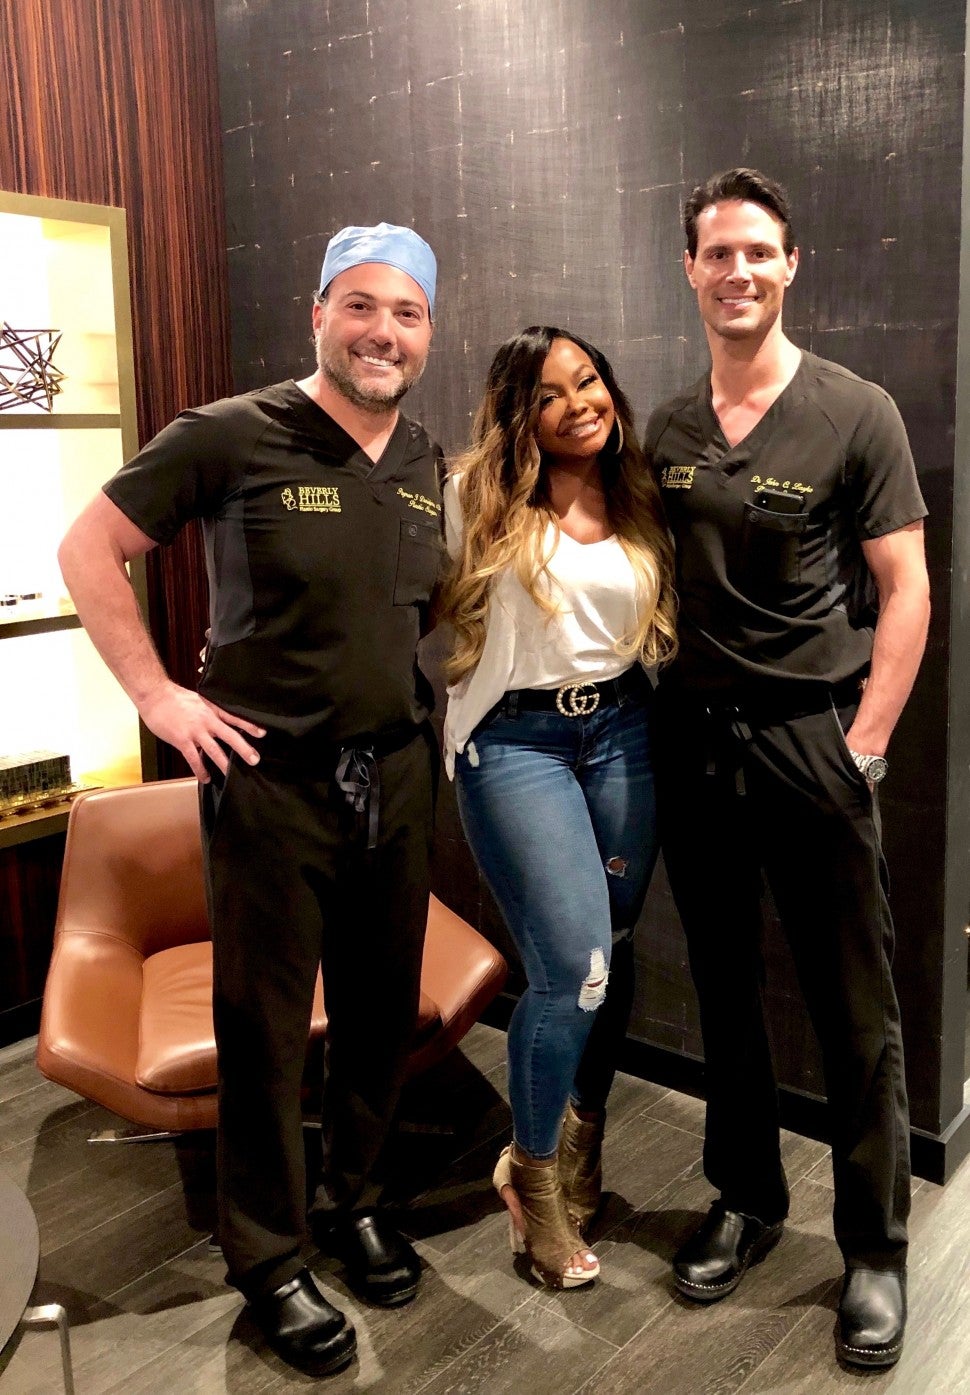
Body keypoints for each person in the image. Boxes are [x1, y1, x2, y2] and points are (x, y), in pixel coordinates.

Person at [57, 223, 445, 1377]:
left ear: (428, 331)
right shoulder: (228, 434)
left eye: (407, 312)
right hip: (270, 781)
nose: (382, 331)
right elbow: (88, 548)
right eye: (360, 305)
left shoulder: (426, 459)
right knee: (266, 1029)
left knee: (378, 1009)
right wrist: (157, 696)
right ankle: (269, 1259)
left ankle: (356, 1201)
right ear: (317, 313)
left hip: (399, 773)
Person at [646, 169, 930, 1368]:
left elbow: (907, 589)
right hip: (691, 744)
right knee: (722, 986)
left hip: (813, 739)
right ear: (691, 270)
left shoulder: (857, 412)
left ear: (791, 264)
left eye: (758, 252)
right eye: (718, 253)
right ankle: (746, 1197)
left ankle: (873, 1248)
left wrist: (863, 744)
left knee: (852, 1003)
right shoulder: (665, 431)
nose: (738, 272)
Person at [440, 326, 677, 1289]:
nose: (579, 403)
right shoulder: (475, 494)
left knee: (611, 951)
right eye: (548, 394)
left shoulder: (637, 489)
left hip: (622, 733)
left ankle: (584, 1137)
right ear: (518, 413)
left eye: (588, 381)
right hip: (515, 743)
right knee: (574, 966)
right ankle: (531, 1175)